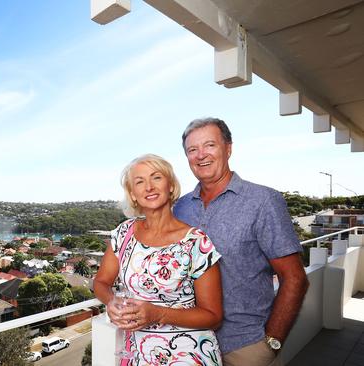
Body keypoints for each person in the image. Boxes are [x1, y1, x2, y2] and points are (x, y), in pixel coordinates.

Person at [173, 118, 309, 366]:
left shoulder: (263, 201)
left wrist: (271, 342)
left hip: (244, 347)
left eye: (210, 145)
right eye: (192, 149)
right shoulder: (180, 207)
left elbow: (295, 278)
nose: (201, 155)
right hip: (188, 345)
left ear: (228, 148)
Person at [94, 154, 224, 365]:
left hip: (188, 354)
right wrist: (112, 301)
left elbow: (214, 317)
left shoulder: (196, 242)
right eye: (139, 181)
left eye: (156, 177)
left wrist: (157, 314)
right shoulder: (123, 233)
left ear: (170, 186)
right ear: (133, 195)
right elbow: (100, 282)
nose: (149, 187)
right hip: (136, 354)